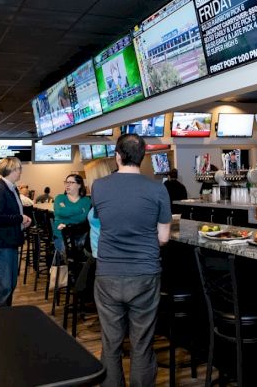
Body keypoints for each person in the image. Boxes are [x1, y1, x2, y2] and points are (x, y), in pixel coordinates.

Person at [91, 133, 171, 386]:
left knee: (111, 343)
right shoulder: (158, 189)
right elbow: (164, 237)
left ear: (117, 156)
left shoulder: (99, 187)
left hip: (108, 274)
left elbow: (105, 219)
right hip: (145, 274)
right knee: (142, 344)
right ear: (143, 157)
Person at [0, 157, 32, 307]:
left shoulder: (11, 189)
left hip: (8, 243)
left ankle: (3, 320)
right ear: (12, 170)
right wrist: (20, 218)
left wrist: (21, 224)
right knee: (3, 288)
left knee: (9, 286)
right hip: (1, 244)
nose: (21, 172)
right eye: (19, 169)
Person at [53, 174, 91, 253]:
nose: (67, 185)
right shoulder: (60, 198)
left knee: (87, 254)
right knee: (69, 254)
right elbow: (59, 212)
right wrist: (80, 210)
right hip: (62, 236)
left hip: (81, 235)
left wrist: (65, 220)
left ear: (79, 185)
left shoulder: (86, 200)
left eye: (71, 182)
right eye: (66, 182)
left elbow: (82, 218)